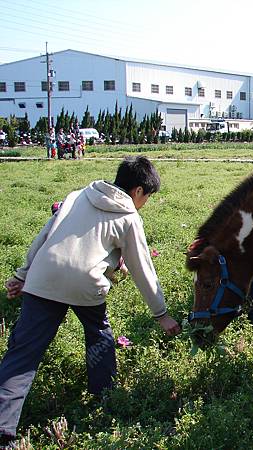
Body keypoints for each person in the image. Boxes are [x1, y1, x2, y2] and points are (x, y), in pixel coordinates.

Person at [0, 156, 181, 445]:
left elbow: (45, 235)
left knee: (22, 356)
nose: (145, 202)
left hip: (43, 279)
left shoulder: (78, 194)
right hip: (85, 287)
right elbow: (142, 267)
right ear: (137, 191)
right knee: (99, 335)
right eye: (147, 197)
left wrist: (23, 275)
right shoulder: (128, 216)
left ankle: (3, 432)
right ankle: (104, 398)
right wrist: (161, 314)